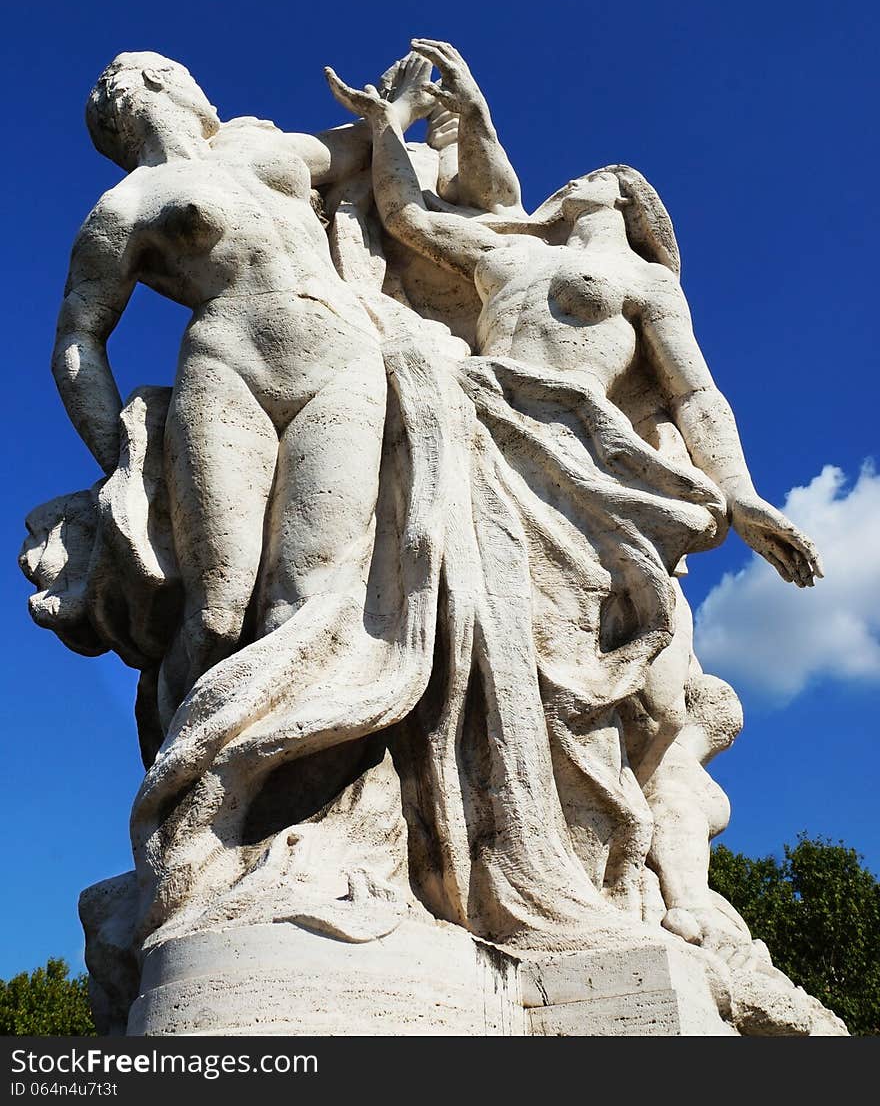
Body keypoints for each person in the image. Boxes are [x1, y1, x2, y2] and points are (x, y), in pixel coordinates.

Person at [326, 47, 823, 913]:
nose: (588, 176)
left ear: (629, 207)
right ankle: (472, 848)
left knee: (570, 665)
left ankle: (591, 869)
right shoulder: (503, 257)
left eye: (608, 176)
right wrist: (398, 120)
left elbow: (695, 394)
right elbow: (405, 214)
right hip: (485, 434)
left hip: (585, 467)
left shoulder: (645, 282)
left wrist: (739, 494)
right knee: (471, 635)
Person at [53, 51, 432, 729]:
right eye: (183, 71)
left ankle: (285, 796)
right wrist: (125, 460)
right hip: (231, 373)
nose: (200, 80)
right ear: (147, 83)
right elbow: (77, 340)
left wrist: (398, 108)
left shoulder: (261, 144)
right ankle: (184, 786)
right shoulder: (128, 202)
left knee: (306, 598)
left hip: (343, 361)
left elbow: (358, 153)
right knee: (219, 613)